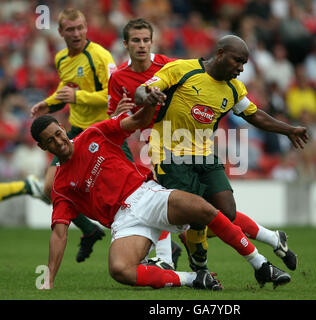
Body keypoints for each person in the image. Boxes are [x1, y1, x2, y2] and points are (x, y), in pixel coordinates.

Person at [33, 102, 291, 290]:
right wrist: (50, 278)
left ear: (64, 129)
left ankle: (261, 264)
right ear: (44, 147)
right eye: (51, 141)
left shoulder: (93, 134)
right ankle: (192, 279)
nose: (59, 142)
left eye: (59, 134)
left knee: (206, 210)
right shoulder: (61, 185)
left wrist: (148, 103)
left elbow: (134, 122)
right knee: (120, 270)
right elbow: (59, 232)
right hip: (124, 221)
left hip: (146, 195)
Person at [134, 35, 309, 272]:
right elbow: (141, 91)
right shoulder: (182, 69)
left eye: (244, 63)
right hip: (168, 152)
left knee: (226, 212)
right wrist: (149, 95)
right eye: (237, 61)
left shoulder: (234, 88)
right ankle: (179, 256)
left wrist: (288, 130)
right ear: (220, 54)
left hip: (204, 153)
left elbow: (254, 115)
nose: (240, 68)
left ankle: (189, 251)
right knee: (190, 212)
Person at [0, 8, 117, 262]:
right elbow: (66, 92)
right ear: (61, 32)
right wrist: (48, 104)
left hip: (101, 134)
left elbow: (113, 95)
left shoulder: (100, 56)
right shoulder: (62, 58)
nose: (76, 33)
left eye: (80, 28)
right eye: (70, 29)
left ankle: (160, 250)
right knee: (50, 188)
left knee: (118, 196)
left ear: (86, 28)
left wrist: (79, 97)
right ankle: (89, 230)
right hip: (73, 133)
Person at [107, 18, 180, 269]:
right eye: (136, 41)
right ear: (125, 44)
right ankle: (165, 257)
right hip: (145, 142)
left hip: (178, 138)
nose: (142, 45)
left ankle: (166, 254)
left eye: (146, 40)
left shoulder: (169, 66)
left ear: (152, 42)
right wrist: (117, 113)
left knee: (175, 200)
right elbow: (114, 120)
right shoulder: (118, 78)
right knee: (155, 194)